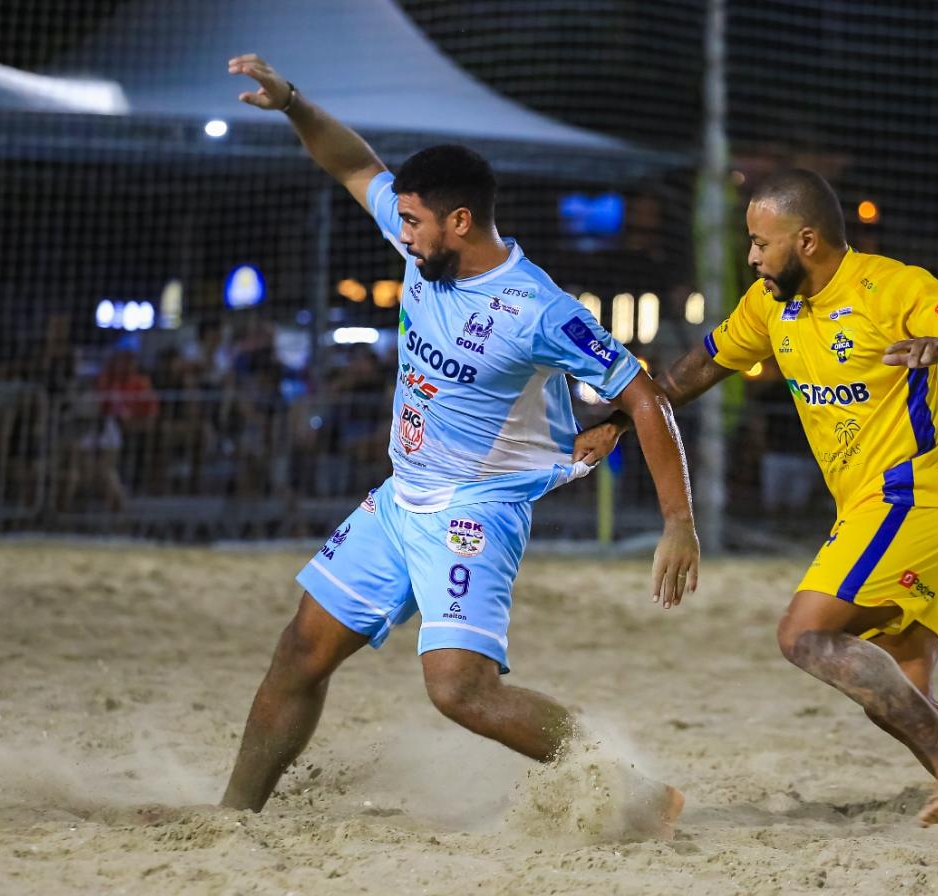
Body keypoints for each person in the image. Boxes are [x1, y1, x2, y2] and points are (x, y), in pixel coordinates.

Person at [219, 53, 699, 834]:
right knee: (300, 649)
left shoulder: (537, 307)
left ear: (461, 222)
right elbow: (353, 163)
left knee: (458, 690)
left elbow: (642, 394)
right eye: (400, 219)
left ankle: (637, 792)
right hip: (399, 496)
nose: (400, 233)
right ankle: (231, 817)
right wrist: (292, 102)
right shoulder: (421, 245)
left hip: (474, 509)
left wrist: (678, 521)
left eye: (412, 221)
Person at [576, 170, 938, 861]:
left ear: (805, 240)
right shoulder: (767, 304)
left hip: (911, 497)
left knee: (802, 635)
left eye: (759, 242)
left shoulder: (885, 285)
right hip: (890, 509)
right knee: (904, 699)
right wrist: (621, 422)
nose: (751, 256)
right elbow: (697, 371)